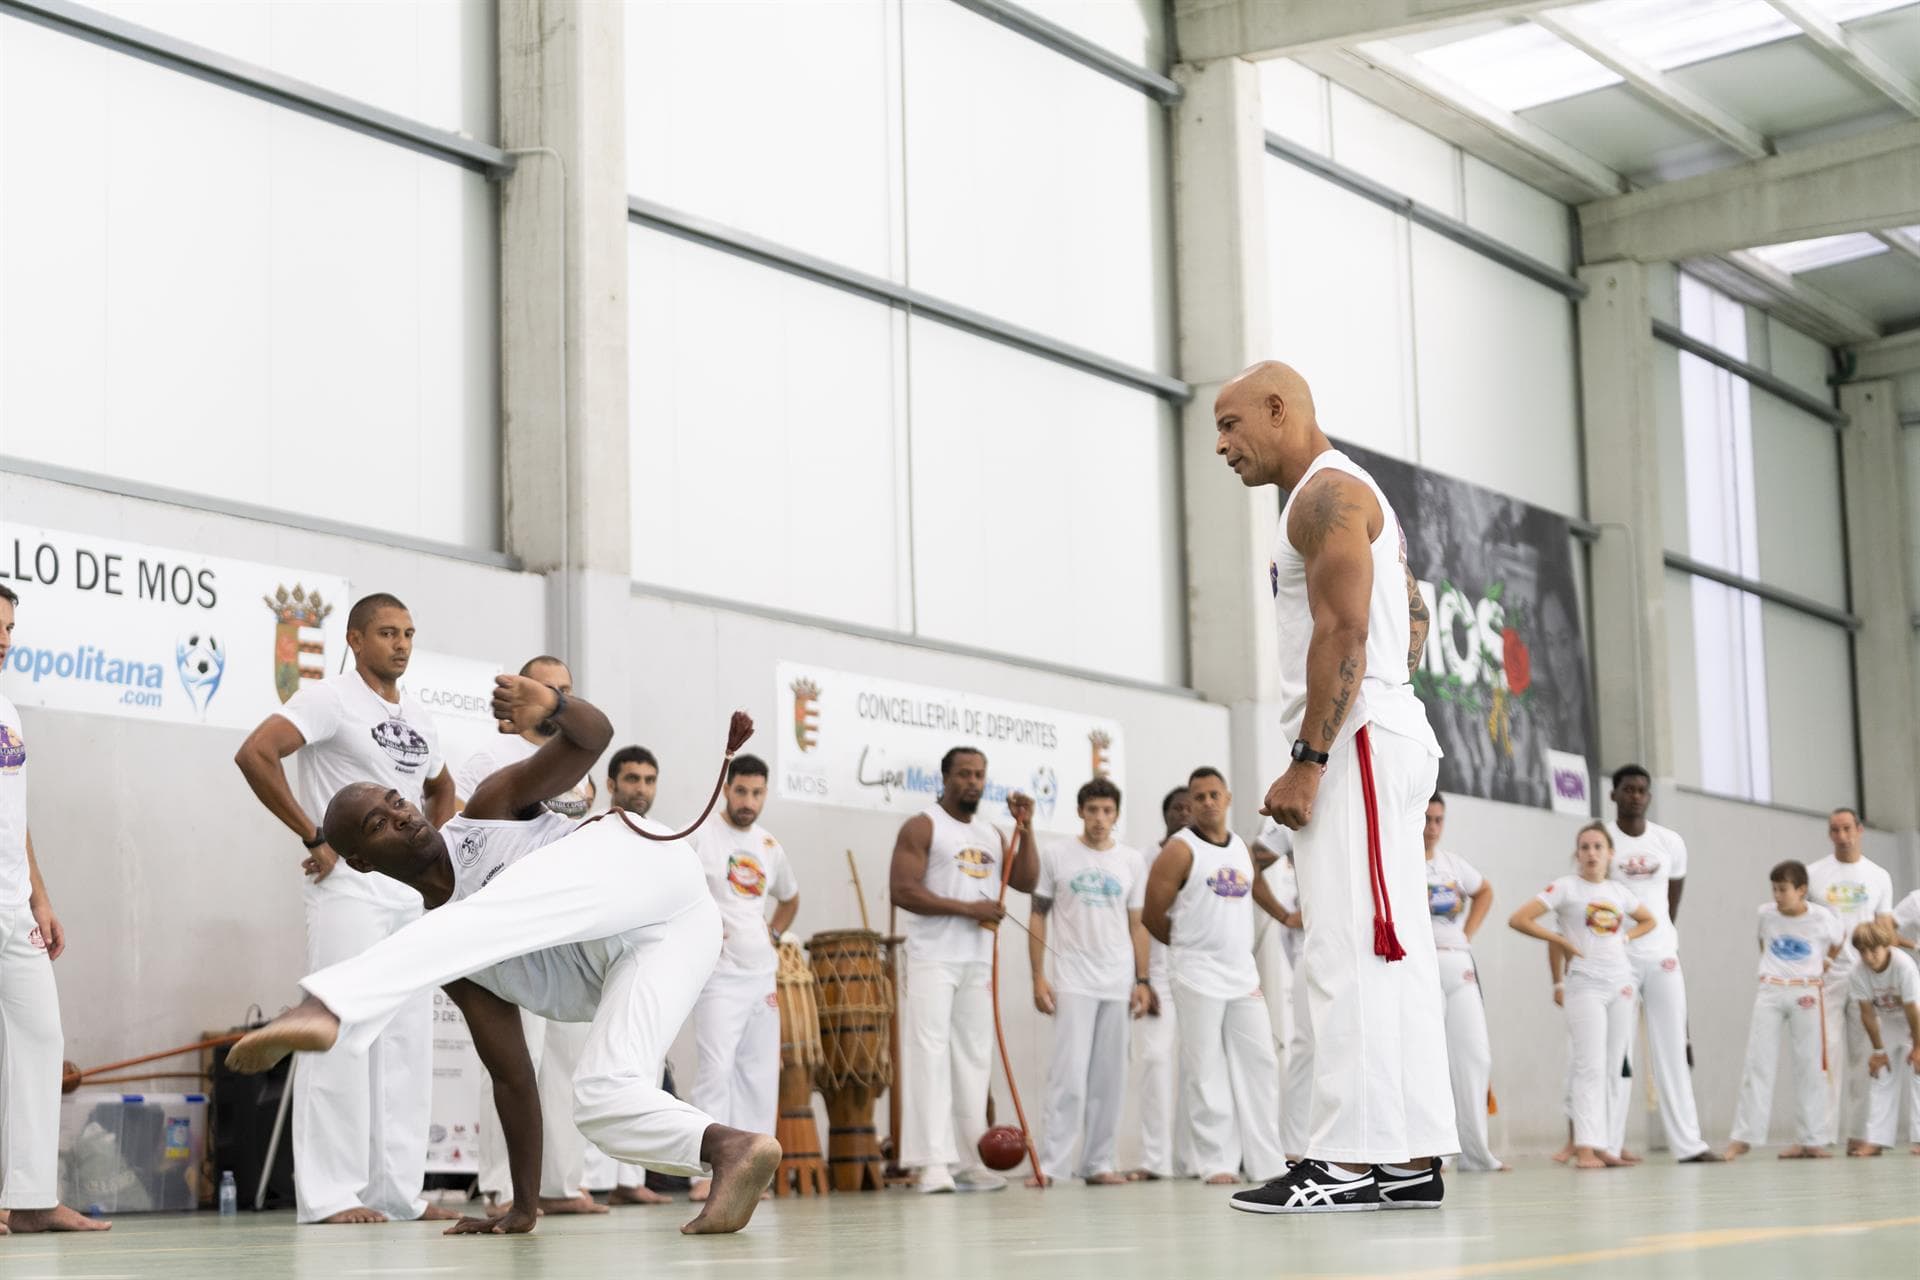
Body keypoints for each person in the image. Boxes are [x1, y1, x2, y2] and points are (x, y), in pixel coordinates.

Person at [225, 675, 780, 1236]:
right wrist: (522, 1207)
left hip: (642, 868)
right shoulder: (455, 956)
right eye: (379, 825)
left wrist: (558, 707)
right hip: (672, 940)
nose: (403, 817)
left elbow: (594, 738)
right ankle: (729, 1149)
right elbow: (513, 1078)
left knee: (474, 912)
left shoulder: (487, 810)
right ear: (363, 861)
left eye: (398, 802)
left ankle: (332, 1005)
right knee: (600, 1096)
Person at [1211, 362, 1453, 1214]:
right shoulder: (1344, 492)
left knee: (1346, 949)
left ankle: (1344, 1162)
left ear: (1280, 410)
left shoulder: (1323, 495)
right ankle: (1407, 1157)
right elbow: (1411, 614)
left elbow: (1345, 625)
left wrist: (1311, 759)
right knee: (1391, 952)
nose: (1221, 443)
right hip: (1377, 729)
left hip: (1351, 743)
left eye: (1233, 423)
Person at [233, 592, 455, 1226]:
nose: (401, 644)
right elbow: (256, 752)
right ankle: (331, 1195)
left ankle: (400, 1194)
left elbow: (442, 787)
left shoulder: (420, 716)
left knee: (408, 1045)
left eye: (409, 633)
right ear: (355, 640)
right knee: (339, 1032)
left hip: (407, 895)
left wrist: (431, 856)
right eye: (387, 633)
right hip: (349, 889)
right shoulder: (328, 699)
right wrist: (315, 836)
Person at [457, 656, 603, 1219]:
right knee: (518, 1061)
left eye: (568, 690)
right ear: (524, 692)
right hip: (512, 921)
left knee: (568, 1059)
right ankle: (501, 1185)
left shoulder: (577, 762)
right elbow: (465, 838)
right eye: (551, 689)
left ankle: (561, 1184)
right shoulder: (488, 758)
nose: (560, 698)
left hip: (570, 922)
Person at [0, 585, 109, 1236]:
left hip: (14, 905)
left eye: (10, 626)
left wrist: (40, 894)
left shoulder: (9, 708)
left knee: (41, 1038)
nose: (4, 637)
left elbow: (16, 814)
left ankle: (33, 1197)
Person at [888, 747, 1038, 1194]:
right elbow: (902, 890)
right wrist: (966, 908)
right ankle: (931, 1162)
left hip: (978, 960)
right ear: (945, 777)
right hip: (933, 957)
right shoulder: (923, 824)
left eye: (979, 775)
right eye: (964, 774)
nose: (972, 782)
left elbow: (1027, 881)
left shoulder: (993, 832)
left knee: (974, 1059)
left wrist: (1024, 830)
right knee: (929, 1054)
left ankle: (972, 1160)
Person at [1143, 767, 1289, 1189]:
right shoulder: (1179, 849)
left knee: (1260, 1062)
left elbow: (1254, 883)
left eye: (1213, 795)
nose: (1206, 803)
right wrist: (1189, 948)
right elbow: (1152, 915)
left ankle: (1266, 1161)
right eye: (1197, 797)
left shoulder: (1241, 846)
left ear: (1226, 798)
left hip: (1242, 973)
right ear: (1189, 805)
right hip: (1195, 971)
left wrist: (1284, 915)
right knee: (1206, 1068)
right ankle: (1217, 1161)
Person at [686, 754, 799, 1203]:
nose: (748, 801)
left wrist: (770, 933)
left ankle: (752, 1175)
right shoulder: (700, 837)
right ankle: (706, 1173)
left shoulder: (769, 845)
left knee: (758, 1075)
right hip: (717, 975)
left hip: (761, 977)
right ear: (726, 789)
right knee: (715, 1071)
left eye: (757, 793)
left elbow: (790, 898)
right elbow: (679, 890)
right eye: (741, 791)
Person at [1510, 823, 1654, 1169]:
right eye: (1585, 847)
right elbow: (1519, 919)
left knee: (1615, 1067)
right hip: (1584, 985)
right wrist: (1559, 941)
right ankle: (1586, 1147)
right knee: (1589, 1064)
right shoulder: (1565, 888)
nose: (1591, 853)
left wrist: (1626, 938)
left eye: (1598, 847)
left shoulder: (1619, 892)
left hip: (1621, 983)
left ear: (1610, 854)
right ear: (1577, 854)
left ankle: (1607, 1145)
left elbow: (1648, 920)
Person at [1029, 777, 1149, 1187]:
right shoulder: (1056, 855)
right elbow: (1038, 915)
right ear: (1080, 811)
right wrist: (1038, 977)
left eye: (1108, 811)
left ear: (1116, 815)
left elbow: (1138, 925)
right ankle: (1052, 1166)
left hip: (1117, 982)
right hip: (1073, 980)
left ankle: (1098, 1163)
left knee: (1109, 1079)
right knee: (1068, 1077)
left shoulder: (1131, 860)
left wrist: (1142, 979)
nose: (1100, 819)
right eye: (1093, 810)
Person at [1599, 766, 1717, 1163]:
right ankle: (1608, 1146)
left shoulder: (1670, 842)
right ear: (1613, 795)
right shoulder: (1603, 840)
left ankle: (1689, 1145)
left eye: (1641, 790)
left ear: (1649, 796)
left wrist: (1662, 934)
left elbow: (1672, 897)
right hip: (1617, 960)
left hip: (1662, 955)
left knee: (1672, 1050)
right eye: (1627, 790)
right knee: (1618, 1052)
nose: (1635, 795)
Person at [590, 744, 671, 1206]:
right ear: (612, 784)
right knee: (595, 1068)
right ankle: (586, 1180)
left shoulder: (665, 836)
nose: (641, 789)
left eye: (649, 780)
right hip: (595, 962)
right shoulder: (595, 829)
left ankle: (629, 1181)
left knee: (643, 1068)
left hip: (645, 965)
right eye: (633, 779)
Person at [1725, 860, 1843, 1160]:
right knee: (1758, 1061)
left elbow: (1837, 942)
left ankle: (1811, 1139)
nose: (1777, 895)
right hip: (1771, 990)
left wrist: (1824, 965)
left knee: (1810, 1065)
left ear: (1802, 890)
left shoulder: (1823, 918)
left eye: (1783, 889)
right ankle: (1744, 1137)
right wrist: (1774, 970)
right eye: (1774, 889)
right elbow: (1762, 943)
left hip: (1807, 991)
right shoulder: (1765, 914)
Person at [1422, 794, 1505, 1172]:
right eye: (1426, 818)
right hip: (1421, 965)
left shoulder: (1453, 864)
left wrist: (1467, 933)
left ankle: (1476, 1154)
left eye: (1438, 819)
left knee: (1475, 1056)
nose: (1432, 827)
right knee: (1429, 1060)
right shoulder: (1399, 861)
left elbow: (1485, 890)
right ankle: (1432, 1152)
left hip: (1459, 964)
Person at [1806, 807, 1896, 1155]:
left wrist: (1883, 971)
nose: (1841, 836)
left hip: (1864, 980)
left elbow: (1885, 928)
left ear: (1859, 830)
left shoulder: (1878, 876)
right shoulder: (1814, 874)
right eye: (1834, 830)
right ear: (1829, 834)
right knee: (1824, 1057)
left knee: (1864, 1055)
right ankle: (1820, 1136)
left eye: (1847, 828)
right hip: (1825, 978)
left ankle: (1862, 1134)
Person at [1129, 786, 1195, 1181]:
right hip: (1156, 975)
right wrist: (1140, 978)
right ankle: (1156, 1160)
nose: (1185, 813)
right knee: (1155, 1061)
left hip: (1198, 973)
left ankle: (1194, 1159)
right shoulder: (1144, 859)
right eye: (1178, 808)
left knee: (1197, 1068)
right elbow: (1137, 922)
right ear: (1166, 813)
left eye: (1192, 806)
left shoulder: (1209, 855)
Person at [1848, 922, 1920, 1157]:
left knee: (1919, 1073)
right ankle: (1877, 1140)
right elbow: (1867, 1014)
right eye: (1863, 952)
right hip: (1889, 1022)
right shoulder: (1857, 972)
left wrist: (1918, 1047)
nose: (1869, 958)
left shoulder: (1904, 966)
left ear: (1886, 946)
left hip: (1915, 1019)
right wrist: (1878, 1051)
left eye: (1874, 950)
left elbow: (1912, 1009)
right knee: (1882, 1073)